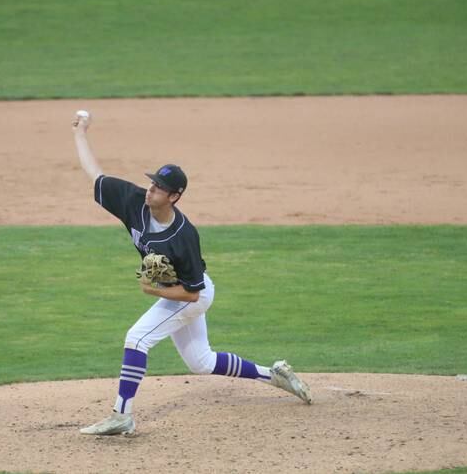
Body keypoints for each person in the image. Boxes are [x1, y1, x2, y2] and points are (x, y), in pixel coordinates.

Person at [71, 110, 312, 437]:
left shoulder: (184, 236)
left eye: (160, 188)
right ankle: (275, 375)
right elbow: (96, 174)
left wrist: (154, 291)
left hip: (190, 294)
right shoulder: (134, 203)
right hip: (180, 292)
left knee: (137, 338)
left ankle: (122, 415)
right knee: (201, 362)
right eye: (153, 182)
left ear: (174, 196)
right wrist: (81, 132)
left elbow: (192, 294)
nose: (151, 189)